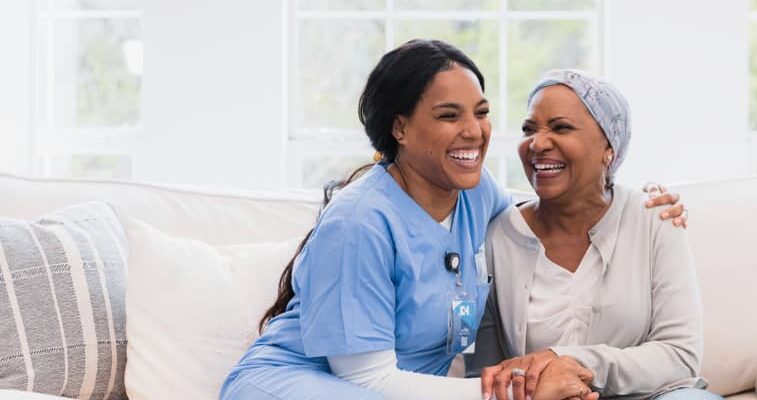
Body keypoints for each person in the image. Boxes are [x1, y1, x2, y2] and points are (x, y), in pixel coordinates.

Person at [220, 40, 685, 400]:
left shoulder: (476, 194)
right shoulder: (358, 222)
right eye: (449, 115)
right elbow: (367, 379)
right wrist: (520, 392)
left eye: (481, 113)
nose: (473, 131)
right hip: (305, 387)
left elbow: (556, 201)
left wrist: (633, 199)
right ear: (399, 128)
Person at [467, 70, 720, 400]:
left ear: (609, 148)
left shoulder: (654, 219)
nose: (538, 143)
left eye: (561, 128)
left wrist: (567, 362)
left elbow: (680, 357)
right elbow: (487, 373)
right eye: (529, 130)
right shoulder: (498, 237)